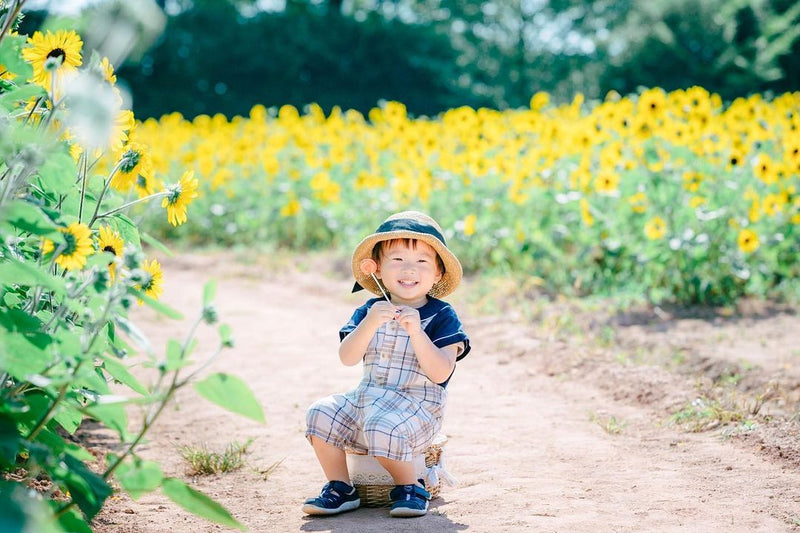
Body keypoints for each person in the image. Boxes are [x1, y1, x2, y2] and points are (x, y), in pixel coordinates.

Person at [303, 210, 471, 518]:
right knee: (319, 413)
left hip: (417, 407)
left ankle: (410, 486)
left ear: (436, 274)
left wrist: (417, 332)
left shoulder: (442, 316)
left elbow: (441, 372)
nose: (409, 269)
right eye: (397, 260)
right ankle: (341, 487)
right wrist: (369, 322)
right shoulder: (370, 309)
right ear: (377, 269)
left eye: (422, 261)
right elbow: (347, 358)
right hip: (367, 398)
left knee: (382, 425)